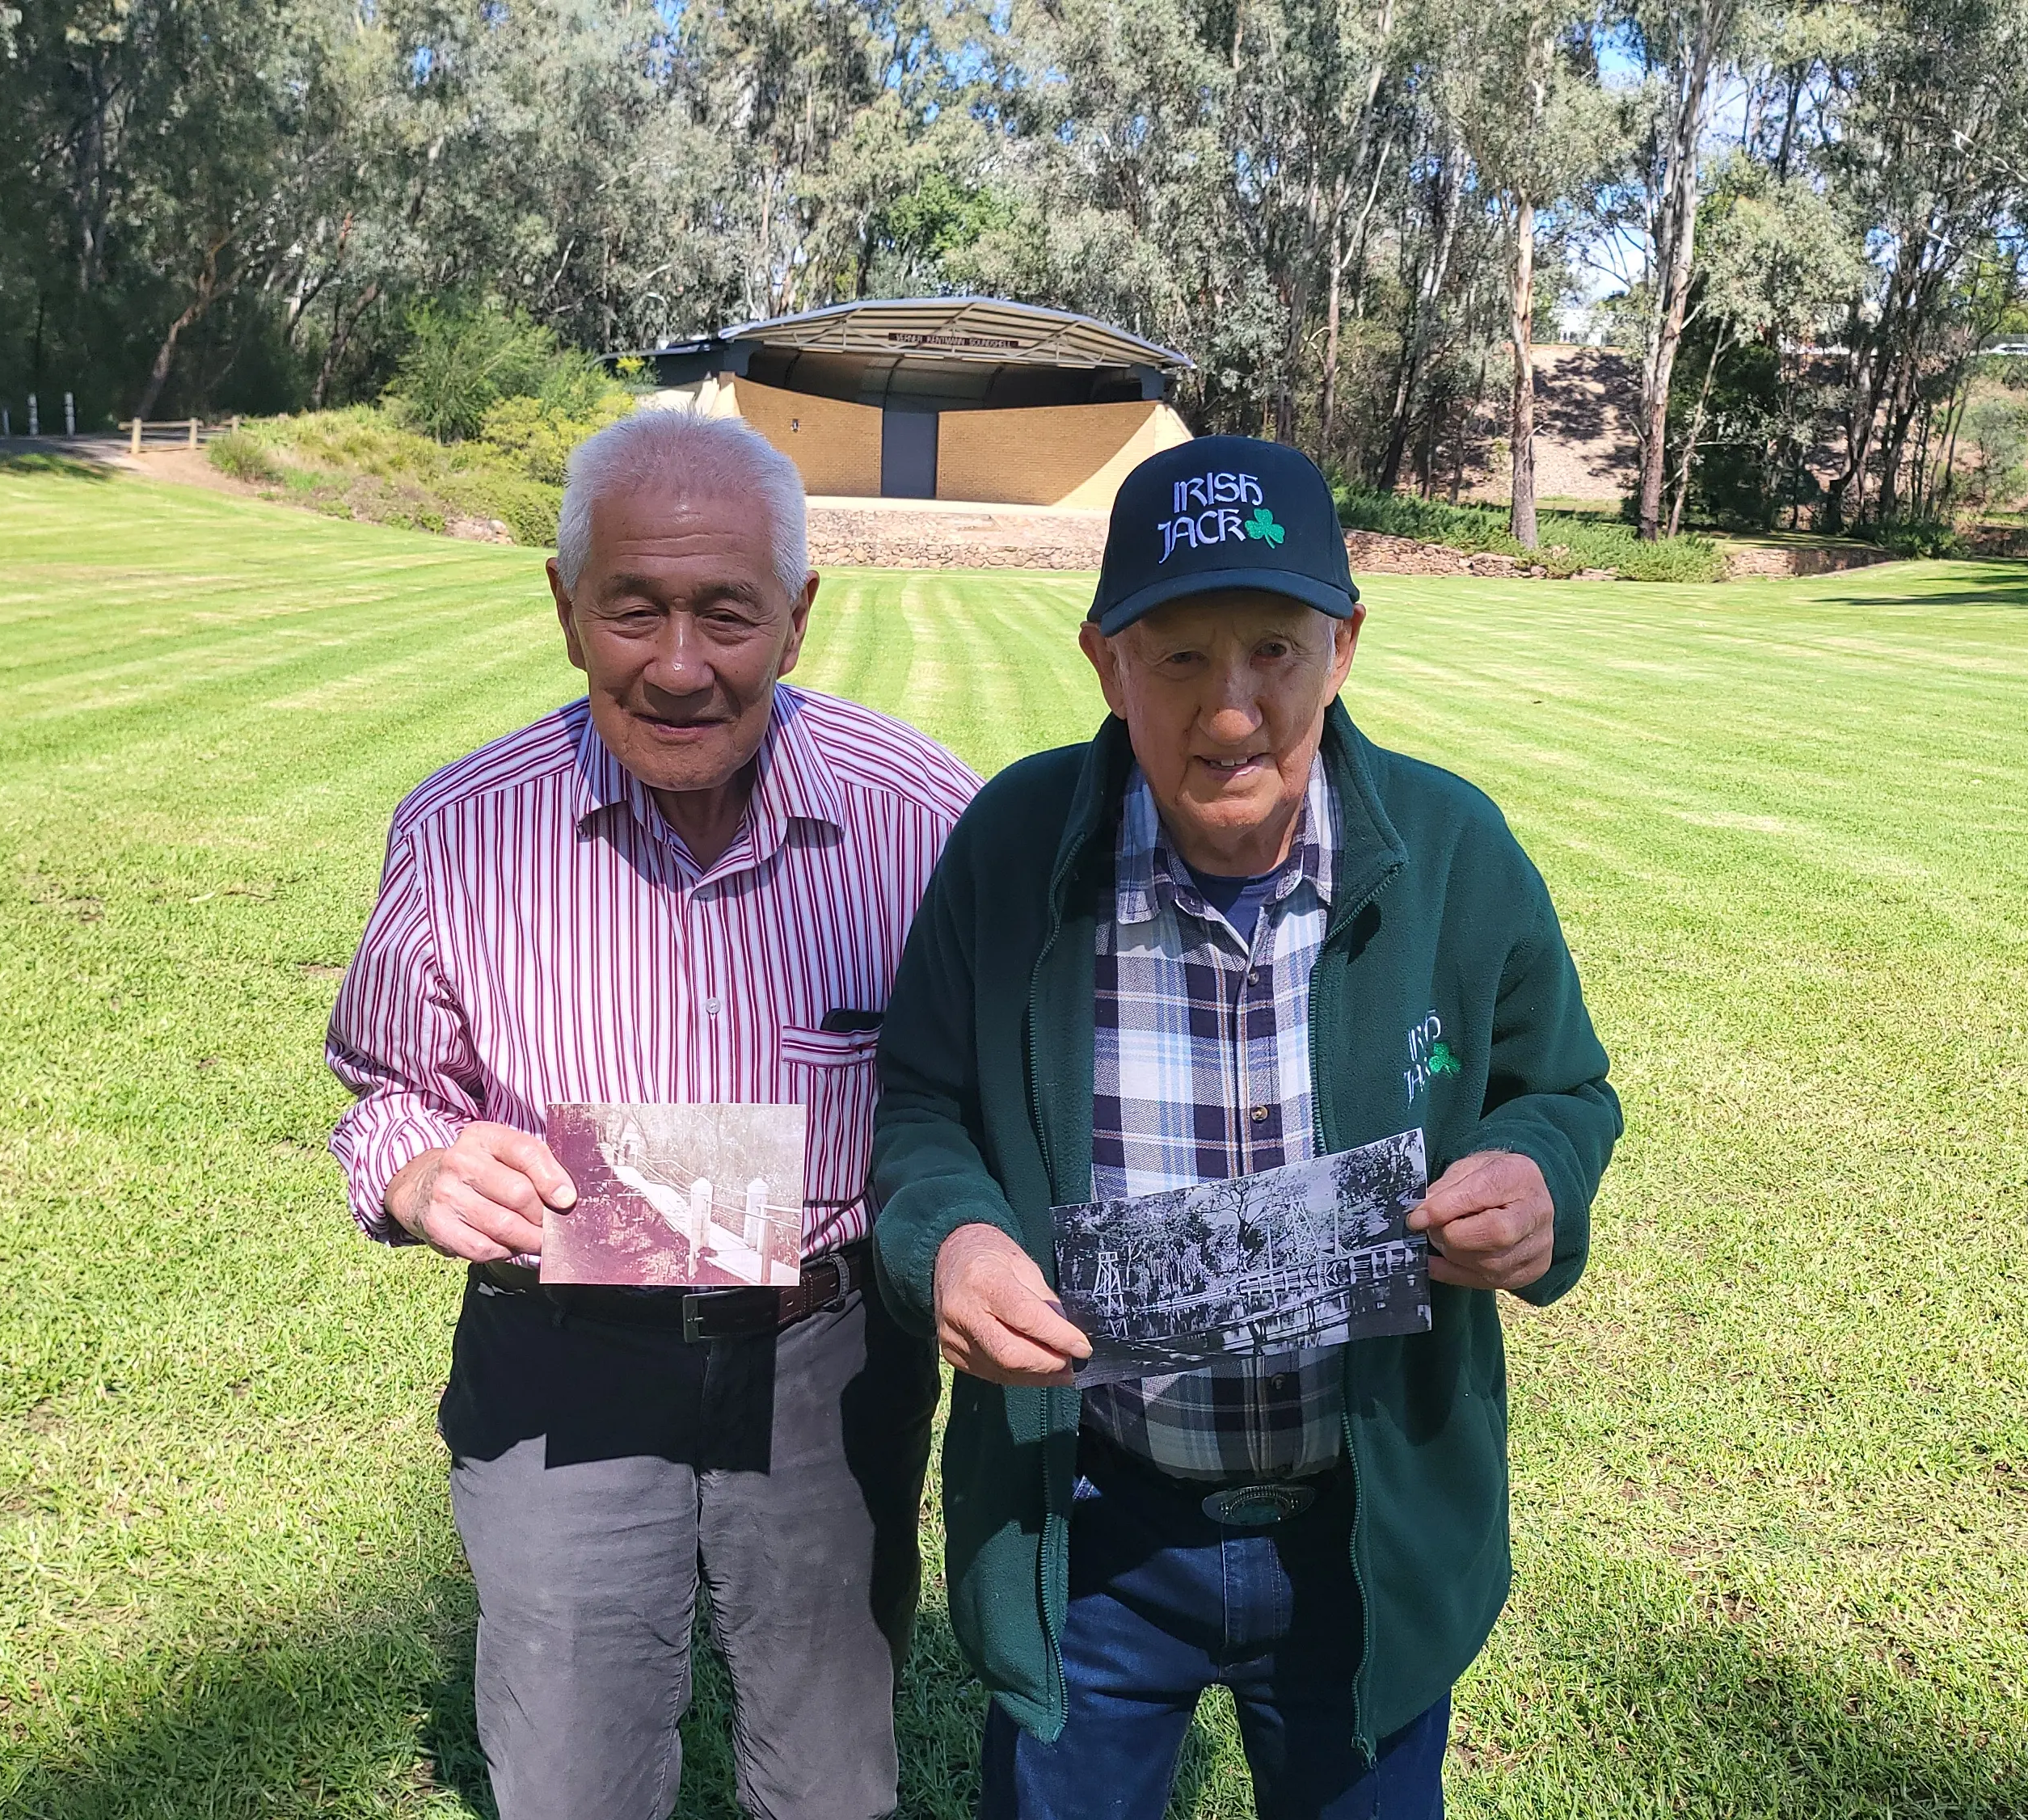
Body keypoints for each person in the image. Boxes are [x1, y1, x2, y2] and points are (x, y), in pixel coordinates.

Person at [869, 436, 1622, 1820]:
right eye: (1178, 659)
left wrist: (1536, 1179)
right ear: (1104, 663)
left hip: (1365, 1529)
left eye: (1273, 651)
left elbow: (1562, 1091)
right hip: (1089, 1528)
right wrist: (953, 1242)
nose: (1230, 713)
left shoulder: (1452, 850)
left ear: (1343, 648)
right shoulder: (1014, 846)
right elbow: (920, 1107)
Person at [326, 407, 980, 1820]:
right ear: (566, 609)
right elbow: (389, 1088)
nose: (679, 666)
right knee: (572, 1773)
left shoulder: (925, 818)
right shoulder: (461, 830)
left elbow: (995, 1090)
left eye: (726, 613)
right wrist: (422, 1174)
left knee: (830, 1777)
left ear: (797, 620)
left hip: (829, 1359)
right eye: (633, 609)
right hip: (559, 1354)